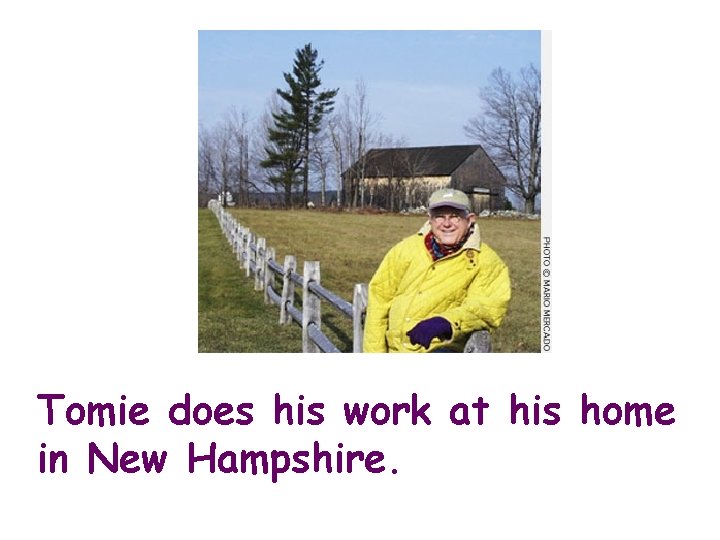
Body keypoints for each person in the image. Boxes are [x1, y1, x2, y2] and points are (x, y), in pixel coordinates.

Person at [363, 188, 511, 353]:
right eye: (440, 216)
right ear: (430, 220)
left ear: (469, 220)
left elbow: (489, 307)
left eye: (455, 216)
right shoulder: (406, 249)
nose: (446, 223)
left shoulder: (486, 260)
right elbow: (379, 299)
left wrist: (447, 322)